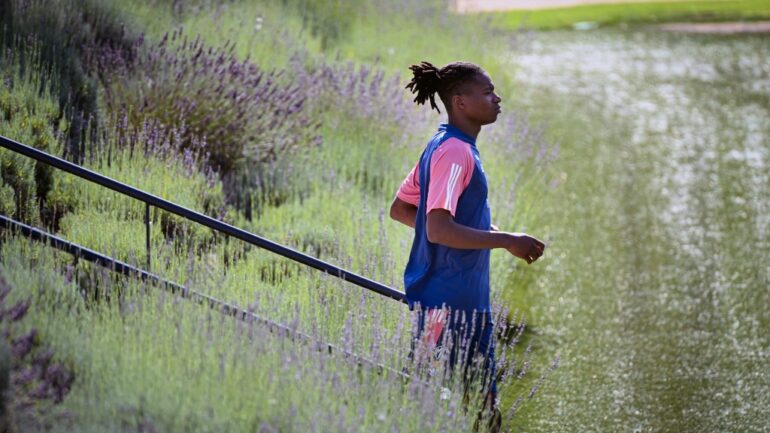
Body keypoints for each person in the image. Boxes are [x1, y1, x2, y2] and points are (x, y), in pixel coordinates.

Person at [389, 60, 545, 421]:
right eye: (488, 92)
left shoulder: (444, 146)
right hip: (452, 303)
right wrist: (507, 240)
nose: (497, 98)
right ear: (460, 102)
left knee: (473, 409)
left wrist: (489, 234)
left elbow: (402, 209)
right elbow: (438, 228)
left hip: (457, 300)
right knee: (478, 413)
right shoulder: (455, 152)